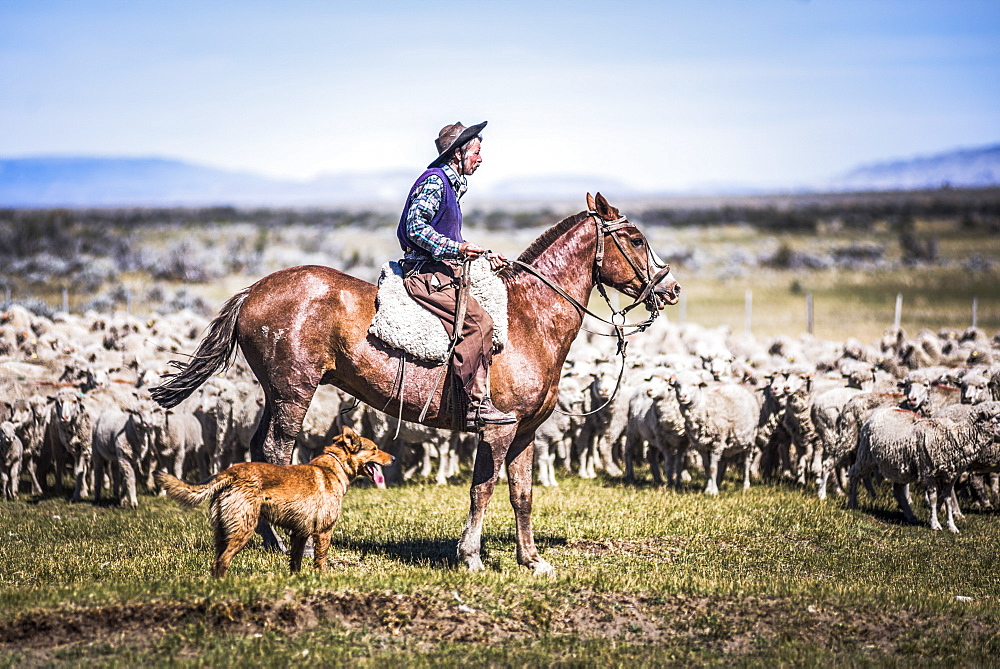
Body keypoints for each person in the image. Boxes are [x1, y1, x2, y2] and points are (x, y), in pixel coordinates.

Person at [396, 120, 516, 428]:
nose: (480, 158)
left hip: (439, 269)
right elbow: (415, 227)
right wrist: (457, 248)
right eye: (476, 152)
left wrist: (484, 255)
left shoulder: (449, 185)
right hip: (424, 274)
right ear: (457, 153)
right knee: (479, 323)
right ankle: (476, 405)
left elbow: (442, 235)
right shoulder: (436, 182)